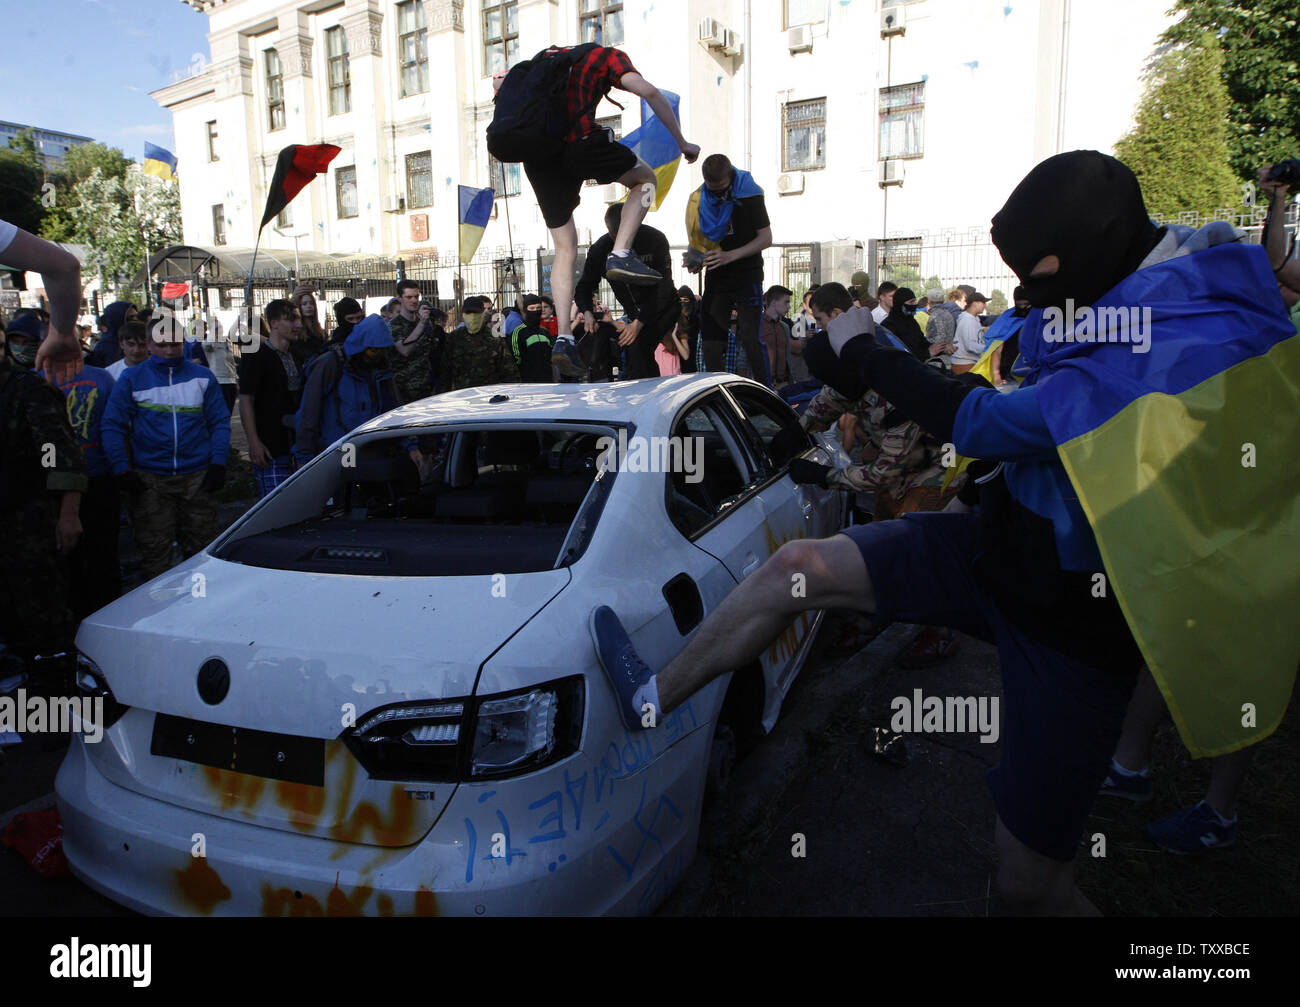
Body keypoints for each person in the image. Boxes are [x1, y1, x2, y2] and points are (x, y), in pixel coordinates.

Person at [586, 151, 1300, 915]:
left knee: (1030, 884)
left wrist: (866, 354)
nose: (1026, 296)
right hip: (998, 547)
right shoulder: (1150, 274)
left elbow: (985, 422)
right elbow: (999, 378)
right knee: (800, 566)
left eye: (1035, 277)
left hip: (1073, 624)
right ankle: (653, 696)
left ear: (1072, 261)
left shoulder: (1169, 342)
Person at [501, 44, 699, 363]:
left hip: (539, 159)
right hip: (580, 145)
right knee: (646, 180)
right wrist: (682, 142)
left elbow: (503, 94)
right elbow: (648, 91)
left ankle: (564, 336)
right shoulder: (604, 56)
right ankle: (621, 253)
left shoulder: (539, 63)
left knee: (565, 248)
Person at [102, 317, 231, 581]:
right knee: (156, 556)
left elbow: (219, 421)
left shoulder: (202, 377)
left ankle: (204, 610)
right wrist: (122, 470)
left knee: (203, 552)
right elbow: (112, 425)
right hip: (150, 479)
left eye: (175, 344)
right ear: (149, 344)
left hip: (197, 477)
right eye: (162, 345)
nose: (170, 351)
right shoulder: (131, 378)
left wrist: (219, 463)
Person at [0, 313, 87, 695]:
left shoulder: (26, 391)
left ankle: (56, 701)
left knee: (43, 616)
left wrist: (68, 513)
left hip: (28, 521)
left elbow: (59, 455)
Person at [49, 325, 122, 618]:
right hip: (56, 483)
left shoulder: (101, 378)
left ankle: (109, 615)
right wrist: (49, 472)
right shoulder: (36, 381)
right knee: (67, 558)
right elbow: (46, 443)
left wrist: (119, 467)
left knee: (103, 554)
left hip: (99, 477)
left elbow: (112, 427)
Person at [686, 153, 773, 384]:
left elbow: (766, 238)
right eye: (712, 189)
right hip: (717, 275)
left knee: (749, 335)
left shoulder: (749, 194)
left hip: (748, 273)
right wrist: (696, 259)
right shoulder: (699, 198)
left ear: (731, 177)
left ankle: (767, 389)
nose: (718, 194)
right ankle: (719, 392)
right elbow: (699, 240)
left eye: (722, 188)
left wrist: (730, 256)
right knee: (711, 342)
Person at [574, 203, 679, 378]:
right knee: (629, 350)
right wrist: (587, 312)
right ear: (610, 231)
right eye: (616, 235)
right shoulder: (600, 249)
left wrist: (639, 322)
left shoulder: (655, 239)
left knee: (640, 345)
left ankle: (651, 393)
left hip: (663, 307)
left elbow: (664, 288)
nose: (622, 240)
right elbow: (584, 286)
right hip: (632, 311)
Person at [294, 315, 399, 462]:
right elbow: (309, 411)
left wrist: (409, 445)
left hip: (370, 450)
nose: (377, 355)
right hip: (336, 451)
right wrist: (304, 455)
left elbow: (392, 407)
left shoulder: (381, 367)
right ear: (362, 345)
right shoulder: (330, 364)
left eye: (381, 350)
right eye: (373, 350)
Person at [238, 299, 303, 498]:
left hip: (298, 443)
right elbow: (246, 399)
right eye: (290, 319)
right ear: (274, 322)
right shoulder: (256, 356)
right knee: (276, 503)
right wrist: (253, 441)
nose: (297, 325)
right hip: (270, 444)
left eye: (298, 319)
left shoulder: (298, 354)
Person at [430, 296, 518, 393]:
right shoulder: (454, 338)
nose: (472, 317)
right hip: (462, 395)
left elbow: (509, 371)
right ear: (463, 315)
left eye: (476, 313)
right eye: (468, 313)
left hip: (489, 394)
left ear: (482, 314)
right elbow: (445, 372)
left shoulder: (495, 338)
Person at [389, 280, 436, 404]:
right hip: (404, 391)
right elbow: (404, 350)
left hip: (426, 389)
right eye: (409, 297)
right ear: (399, 298)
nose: (414, 301)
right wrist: (421, 324)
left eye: (416, 296)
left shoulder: (426, 323)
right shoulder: (394, 326)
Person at [190, 312, 238, 413]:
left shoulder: (226, 342)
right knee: (222, 412)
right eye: (216, 328)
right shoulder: (208, 343)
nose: (218, 330)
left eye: (220, 327)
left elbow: (231, 361)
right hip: (219, 381)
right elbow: (207, 345)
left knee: (229, 410)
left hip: (231, 381)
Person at [508, 293, 556, 383]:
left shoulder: (545, 332)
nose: (535, 311)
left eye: (538, 308)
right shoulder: (518, 332)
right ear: (526, 310)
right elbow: (516, 361)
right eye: (532, 308)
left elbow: (551, 358)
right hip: (528, 384)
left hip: (548, 382)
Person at [877, 286, 931, 361]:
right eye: (911, 302)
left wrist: (941, 348)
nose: (914, 304)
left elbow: (922, 342)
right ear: (900, 304)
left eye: (915, 301)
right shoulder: (888, 325)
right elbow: (900, 355)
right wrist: (928, 353)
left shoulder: (912, 322)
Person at [86, 301, 137, 369]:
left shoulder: (139, 339)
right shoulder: (106, 347)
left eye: (136, 316)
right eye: (131, 318)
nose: (136, 320)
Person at [760, 285, 793, 385]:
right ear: (774, 302)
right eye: (786, 302)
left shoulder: (784, 327)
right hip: (762, 383)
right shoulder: (757, 326)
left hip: (783, 383)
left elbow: (788, 358)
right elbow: (743, 360)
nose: (789, 306)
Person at [949, 291, 988, 373]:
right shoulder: (967, 320)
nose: (985, 305)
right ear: (975, 303)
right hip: (964, 364)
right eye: (983, 303)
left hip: (968, 362)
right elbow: (970, 346)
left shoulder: (973, 318)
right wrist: (988, 349)